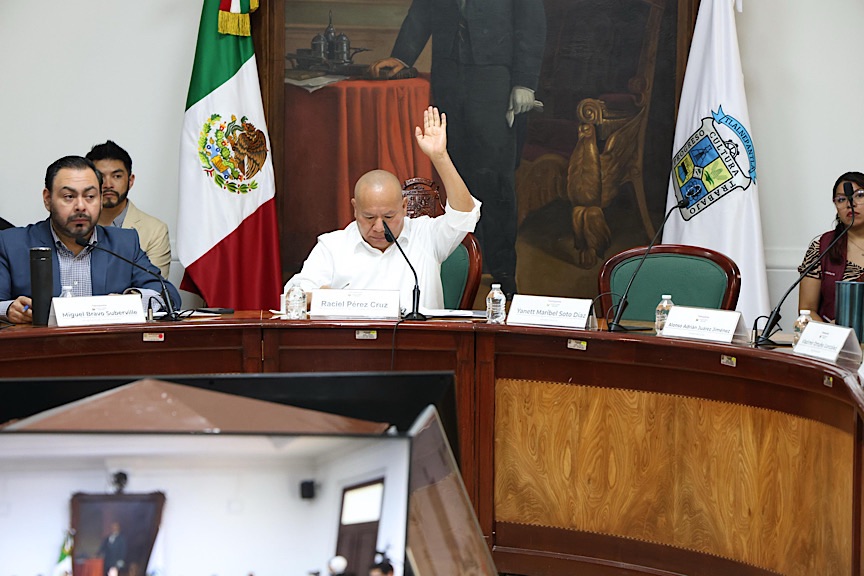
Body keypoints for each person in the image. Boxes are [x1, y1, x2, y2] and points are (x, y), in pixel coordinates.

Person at [370, 0, 546, 298]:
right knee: (453, 173)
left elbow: (531, 24)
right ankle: (460, 266)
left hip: (495, 79)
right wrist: (401, 56)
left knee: (496, 180)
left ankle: (502, 271)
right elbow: (423, 10)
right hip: (448, 75)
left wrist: (525, 83)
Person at [286, 106, 480, 310]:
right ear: (355, 209)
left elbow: (464, 214)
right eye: (369, 217)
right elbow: (293, 296)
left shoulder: (427, 236)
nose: (379, 227)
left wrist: (440, 157)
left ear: (404, 206)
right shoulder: (333, 247)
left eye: (388, 217)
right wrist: (322, 297)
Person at [0, 155, 181, 324]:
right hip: (41, 346)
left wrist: (130, 301)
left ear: (101, 199)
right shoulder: (12, 244)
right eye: (69, 197)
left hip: (107, 345)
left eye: (90, 197)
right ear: (48, 199)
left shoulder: (124, 244)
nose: (81, 206)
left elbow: (169, 296)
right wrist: (8, 309)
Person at [86, 140, 172, 277]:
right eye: (100, 177)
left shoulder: (154, 230)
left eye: (117, 176)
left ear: (130, 181)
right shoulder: (74, 224)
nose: (108, 184)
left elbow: (153, 286)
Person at [798, 171, 864, 322]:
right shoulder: (821, 248)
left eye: (860, 195)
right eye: (841, 199)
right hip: (836, 335)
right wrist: (830, 332)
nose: (850, 204)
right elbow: (807, 310)